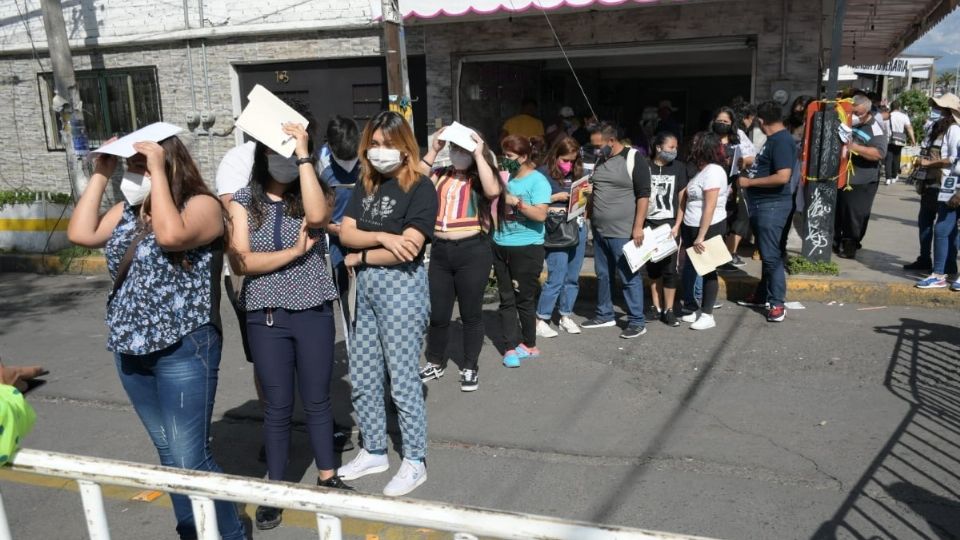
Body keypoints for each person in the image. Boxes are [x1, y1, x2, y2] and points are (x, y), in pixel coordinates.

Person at [67, 127, 246, 540]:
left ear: (166, 164)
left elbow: (171, 236)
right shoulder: (128, 210)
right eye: (128, 166)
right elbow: (81, 234)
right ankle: (193, 531)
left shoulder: (201, 205)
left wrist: (158, 173)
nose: (132, 174)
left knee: (189, 456)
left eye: (139, 164)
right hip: (130, 347)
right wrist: (101, 172)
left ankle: (229, 534)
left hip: (184, 346)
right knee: (169, 454)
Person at [227, 123, 353, 529]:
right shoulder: (242, 201)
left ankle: (328, 477)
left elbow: (318, 215)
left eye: (294, 152)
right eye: (276, 152)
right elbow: (240, 262)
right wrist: (295, 251)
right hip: (267, 316)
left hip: (314, 310)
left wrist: (302, 155)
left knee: (317, 400)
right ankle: (276, 488)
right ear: (262, 156)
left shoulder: (314, 193)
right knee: (277, 406)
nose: (282, 160)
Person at [337, 111, 437, 497]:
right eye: (374, 145)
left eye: (387, 144)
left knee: (402, 378)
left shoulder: (420, 187)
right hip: (364, 292)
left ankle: (415, 459)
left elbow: (408, 250)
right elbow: (346, 231)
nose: (380, 152)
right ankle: (374, 449)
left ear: (406, 147)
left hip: (402, 291)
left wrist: (362, 254)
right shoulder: (368, 184)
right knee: (363, 374)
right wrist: (386, 237)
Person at [416, 125, 501, 391]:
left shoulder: (481, 176)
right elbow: (413, 182)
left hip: (472, 251)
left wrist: (479, 154)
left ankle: (469, 366)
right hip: (441, 251)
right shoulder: (440, 174)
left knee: (470, 314)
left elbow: (493, 191)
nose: (457, 153)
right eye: (455, 148)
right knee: (439, 314)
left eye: (462, 149)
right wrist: (433, 149)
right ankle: (435, 361)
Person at [580, 122, 652, 339]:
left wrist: (638, 227)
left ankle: (637, 321)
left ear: (612, 141)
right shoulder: (601, 159)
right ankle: (604, 314)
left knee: (629, 275)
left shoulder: (633, 158)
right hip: (600, 229)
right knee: (603, 274)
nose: (595, 150)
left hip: (623, 231)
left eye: (598, 145)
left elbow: (644, 195)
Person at [736, 101, 798, 322]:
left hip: (771, 207)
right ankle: (763, 295)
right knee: (769, 253)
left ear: (761, 122)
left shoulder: (781, 140)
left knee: (772, 257)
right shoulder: (776, 140)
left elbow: (783, 176)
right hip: (766, 206)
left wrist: (750, 183)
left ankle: (777, 304)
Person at [492, 135, 552, 366]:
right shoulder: (502, 178)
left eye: (510, 157)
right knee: (506, 299)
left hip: (527, 247)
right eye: (503, 156)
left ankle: (529, 344)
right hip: (500, 243)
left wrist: (516, 202)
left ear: (524, 157)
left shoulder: (538, 181)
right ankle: (509, 347)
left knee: (524, 299)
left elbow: (540, 215)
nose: (505, 161)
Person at [535, 136, 587, 338]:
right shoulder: (542, 173)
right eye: (565, 159)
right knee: (556, 276)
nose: (569, 164)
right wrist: (555, 198)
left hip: (578, 224)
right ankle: (542, 318)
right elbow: (532, 200)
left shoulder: (578, 173)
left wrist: (584, 194)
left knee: (572, 276)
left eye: (573, 160)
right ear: (555, 155)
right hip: (557, 227)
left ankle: (565, 315)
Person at [904, 96, 960, 273]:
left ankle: (947, 267)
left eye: (941, 108)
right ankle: (926, 260)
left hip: (944, 184)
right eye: (936, 107)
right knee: (925, 223)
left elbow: (952, 159)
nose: (937, 110)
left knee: (944, 229)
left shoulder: (954, 130)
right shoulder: (934, 129)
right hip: (929, 183)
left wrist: (929, 164)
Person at [679, 132, 728, 330]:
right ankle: (692, 307)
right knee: (693, 267)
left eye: (696, 144)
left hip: (708, 227)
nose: (693, 147)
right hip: (692, 226)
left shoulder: (714, 171)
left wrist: (701, 234)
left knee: (708, 270)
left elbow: (710, 205)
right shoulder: (703, 170)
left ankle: (707, 314)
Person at [318, 116, 362, 327]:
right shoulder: (323, 168)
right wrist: (329, 227)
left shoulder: (368, 164)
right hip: (338, 244)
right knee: (347, 300)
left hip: (368, 240)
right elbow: (315, 214)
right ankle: (353, 341)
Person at [834, 94, 888, 259]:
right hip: (844, 177)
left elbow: (879, 153)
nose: (855, 116)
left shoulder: (875, 129)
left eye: (858, 113)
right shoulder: (848, 122)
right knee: (840, 211)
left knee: (855, 215)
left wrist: (855, 148)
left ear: (867, 112)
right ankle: (837, 241)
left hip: (862, 180)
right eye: (853, 113)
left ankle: (851, 245)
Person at [644, 132, 688, 327]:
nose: (674, 151)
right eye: (671, 147)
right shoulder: (645, 166)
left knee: (670, 269)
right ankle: (656, 306)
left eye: (676, 147)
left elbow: (682, 199)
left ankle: (669, 310)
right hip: (648, 224)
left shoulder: (679, 168)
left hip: (669, 225)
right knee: (653, 268)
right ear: (659, 148)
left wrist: (678, 224)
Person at [711, 106, 756, 267]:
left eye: (726, 121)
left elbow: (752, 157)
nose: (722, 123)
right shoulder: (706, 139)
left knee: (740, 217)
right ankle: (715, 256)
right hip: (712, 188)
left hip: (734, 186)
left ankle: (730, 253)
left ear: (732, 123)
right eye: (720, 120)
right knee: (716, 220)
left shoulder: (738, 137)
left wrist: (742, 161)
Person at [884, 102, 916, 184]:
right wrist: (913, 139)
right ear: (899, 107)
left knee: (888, 159)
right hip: (899, 139)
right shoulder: (904, 116)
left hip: (887, 140)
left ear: (891, 107)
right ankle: (894, 176)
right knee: (897, 158)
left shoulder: (887, 115)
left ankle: (887, 178)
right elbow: (909, 128)